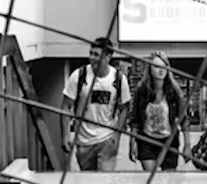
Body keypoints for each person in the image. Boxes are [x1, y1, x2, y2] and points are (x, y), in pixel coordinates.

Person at [63, 37, 131, 171]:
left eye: (96, 55)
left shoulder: (119, 79)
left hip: (107, 139)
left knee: (104, 181)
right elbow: (65, 106)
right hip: (84, 141)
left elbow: (124, 108)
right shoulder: (79, 76)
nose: (92, 58)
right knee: (88, 181)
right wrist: (65, 135)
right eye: (91, 53)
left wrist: (117, 135)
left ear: (108, 57)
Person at [129, 52, 186, 172]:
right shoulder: (141, 91)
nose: (161, 70)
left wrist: (188, 145)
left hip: (169, 141)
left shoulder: (174, 91)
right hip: (147, 141)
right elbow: (135, 120)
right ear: (149, 69)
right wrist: (132, 142)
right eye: (156, 66)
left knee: (169, 178)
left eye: (164, 66)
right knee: (151, 177)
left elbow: (184, 120)